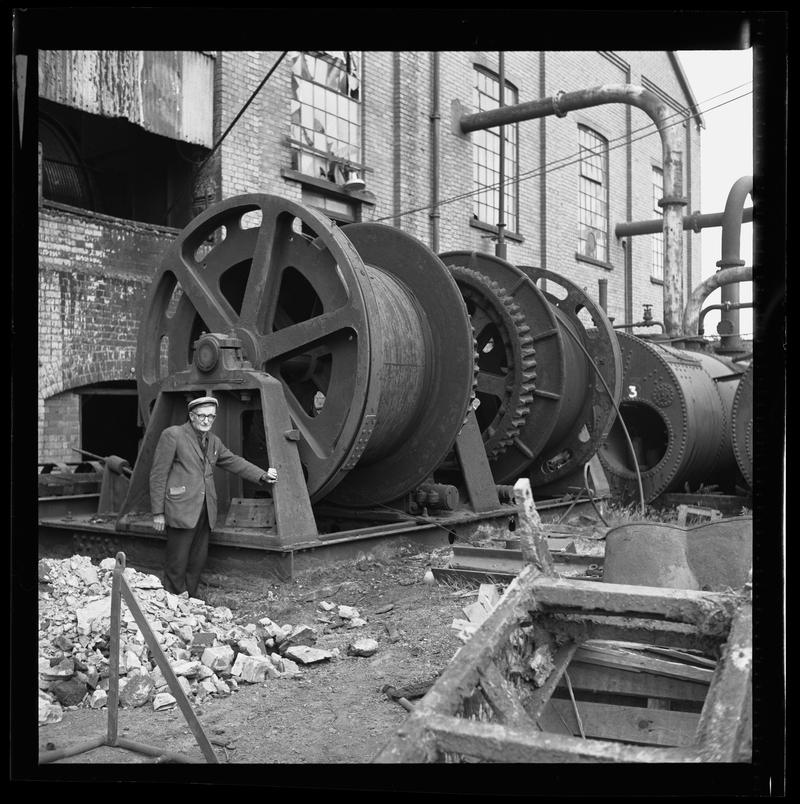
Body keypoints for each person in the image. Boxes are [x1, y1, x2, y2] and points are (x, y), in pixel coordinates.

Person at [149, 395, 277, 598]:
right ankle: (173, 601)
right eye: (202, 416)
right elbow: (158, 474)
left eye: (211, 416)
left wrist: (261, 475)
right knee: (177, 562)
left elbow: (233, 461)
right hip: (181, 509)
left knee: (197, 561)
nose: (206, 420)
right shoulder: (173, 435)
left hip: (206, 509)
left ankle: (190, 599)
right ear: (192, 416)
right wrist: (158, 513)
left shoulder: (213, 441)